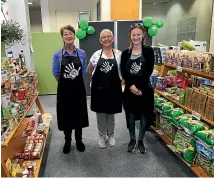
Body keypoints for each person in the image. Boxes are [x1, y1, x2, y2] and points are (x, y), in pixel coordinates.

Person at [52, 25, 89, 154]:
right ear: (62, 37)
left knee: (79, 115)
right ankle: (67, 141)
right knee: (66, 116)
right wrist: (66, 82)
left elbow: (83, 72)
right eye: (66, 34)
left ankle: (79, 140)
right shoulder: (57, 55)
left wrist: (74, 79)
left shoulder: (82, 53)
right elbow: (56, 73)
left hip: (78, 90)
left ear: (74, 36)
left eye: (71, 34)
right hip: (64, 91)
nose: (69, 36)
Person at [121, 23, 154, 154]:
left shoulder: (148, 51)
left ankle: (141, 140)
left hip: (144, 89)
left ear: (143, 35)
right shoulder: (125, 53)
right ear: (130, 36)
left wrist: (139, 87)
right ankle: (132, 139)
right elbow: (124, 71)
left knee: (143, 115)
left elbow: (149, 70)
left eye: (138, 34)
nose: (136, 37)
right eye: (133, 35)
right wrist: (132, 86)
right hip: (129, 89)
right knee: (130, 115)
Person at [87, 29, 122, 149]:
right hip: (99, 90)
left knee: (110, 114)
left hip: (113, 89)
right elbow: (89, 70)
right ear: (100, 40)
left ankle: (111, 135)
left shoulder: (119, 54)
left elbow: (123, 72)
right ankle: (102, 137)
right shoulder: (96, 55)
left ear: (113, 39)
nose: (106, 39)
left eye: (108, 36)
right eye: (103, 37)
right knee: (100, 114)